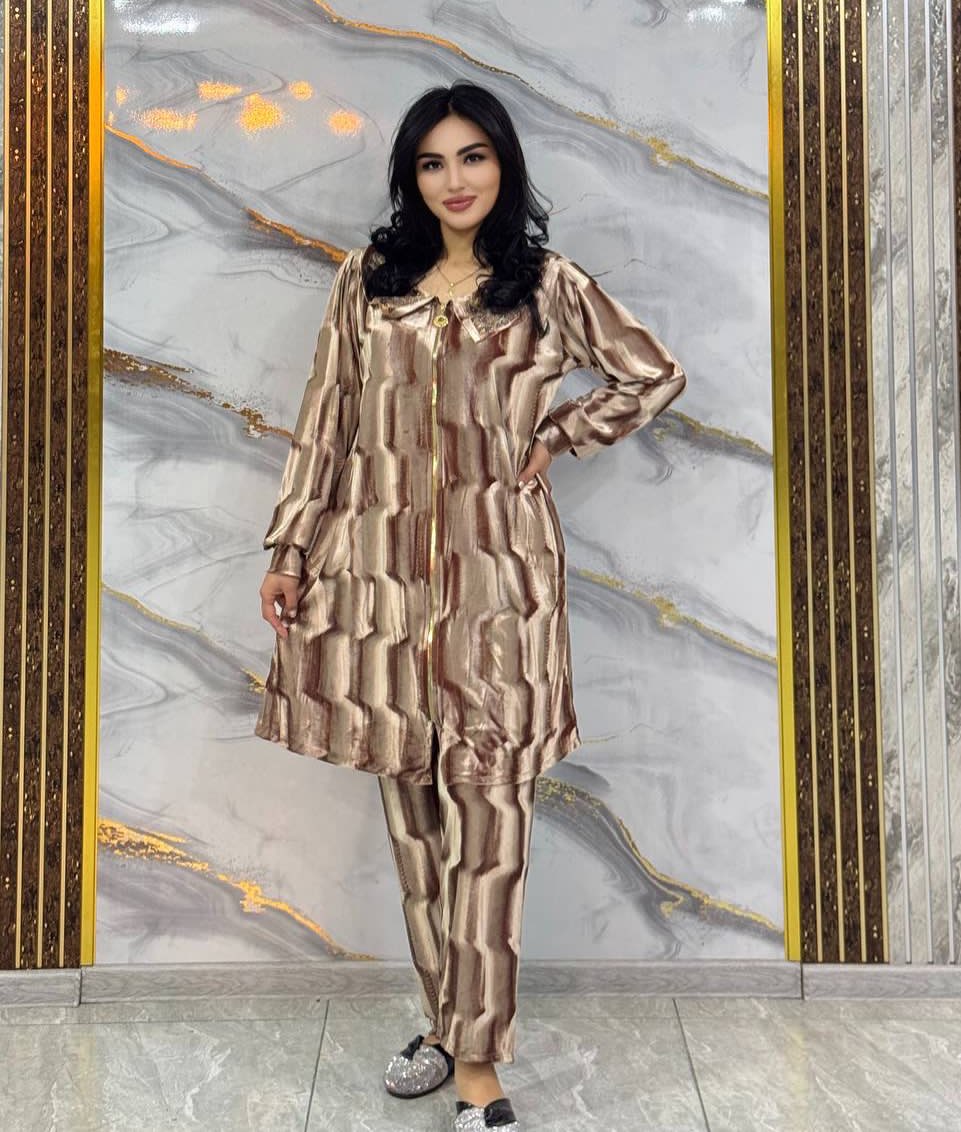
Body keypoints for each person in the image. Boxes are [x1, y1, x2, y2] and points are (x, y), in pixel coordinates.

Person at [255, 81, 686, 1132]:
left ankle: (479, 1065)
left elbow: (651, 374)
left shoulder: (547, 285)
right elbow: (327, 418)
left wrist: (559, 437)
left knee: (489, 832)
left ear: (504, 165)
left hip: (501, 595)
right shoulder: (368, 281)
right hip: (374, 587)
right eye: (433, 162)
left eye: (474, 157)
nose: (455, 180)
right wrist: (291, 546)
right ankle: (446, 1026)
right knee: (415, 829)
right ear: (410, 176)